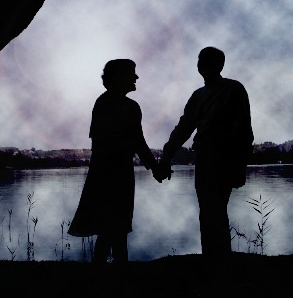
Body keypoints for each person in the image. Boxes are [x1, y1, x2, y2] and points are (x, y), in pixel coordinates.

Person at [156, 46, 253, 257]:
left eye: (206, 61)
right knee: (209, 210)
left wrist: (240, 164)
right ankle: (213, 256)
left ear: (219, 65)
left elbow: (245, 129)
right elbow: (184, 127)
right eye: (200, 60)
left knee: (215, 209)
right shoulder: (198, 96)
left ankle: (218, 257)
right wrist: (167, 156)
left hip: (225, 157)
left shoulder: (234, 89)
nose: (201, 65)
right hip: (205, 157)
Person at [68, 59, 162, 265]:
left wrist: (154, 166)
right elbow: (137, 142)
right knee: (115, 226)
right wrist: (155, 167)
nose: (136, 77)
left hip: (109, 171)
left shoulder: (110, 103)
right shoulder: (119, 105)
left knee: (112, 227)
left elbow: (136, 142)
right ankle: (117, 273)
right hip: (112, 172)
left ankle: (107, 272)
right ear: (119, 78)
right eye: (132, 73)